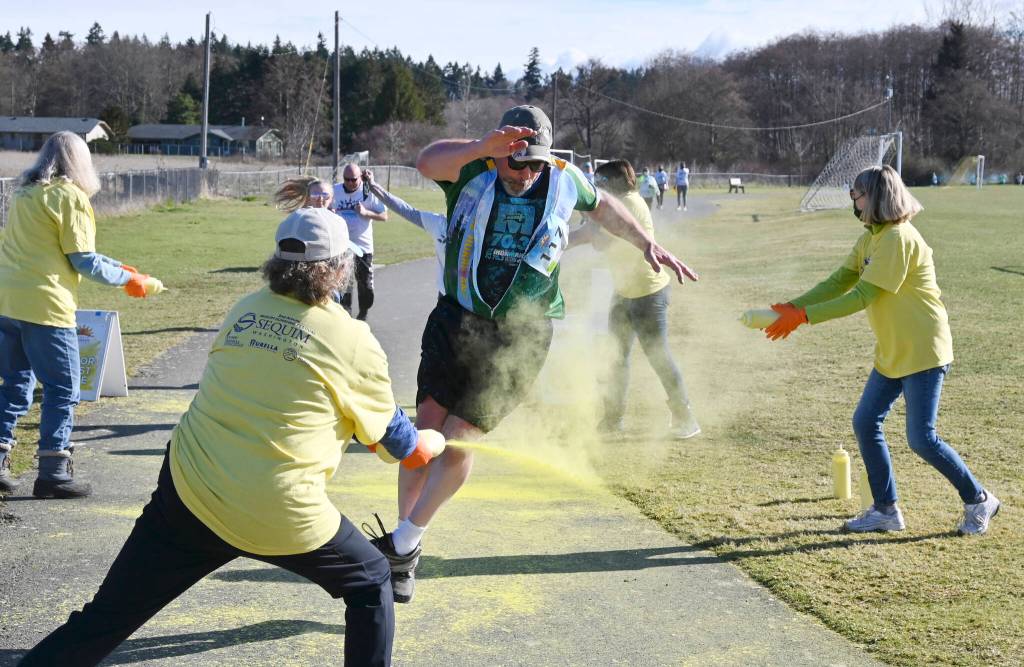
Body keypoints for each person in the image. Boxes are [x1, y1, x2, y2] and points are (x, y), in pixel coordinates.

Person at [19, 207, 447, 667]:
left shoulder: (245, 308)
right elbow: (405, 448)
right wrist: (438, 441)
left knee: (108, 616)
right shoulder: (353, 339)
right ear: (342, 268)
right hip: (278, 508)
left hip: (192, 489)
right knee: (371, 580)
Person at [370, 104, 697, 605]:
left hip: (519, 335)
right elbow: (426, 161)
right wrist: (483, 147)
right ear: (500, 153)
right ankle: (402, 545)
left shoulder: (564, 178)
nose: (525, 173)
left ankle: (405, 543)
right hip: (455, 320)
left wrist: (646, 241)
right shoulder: (474, 169)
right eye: (516, 162)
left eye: (535, 163)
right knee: (424, 435)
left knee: (458, 442)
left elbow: (606, 205)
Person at [762, 165, 1000, 536]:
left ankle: (979, 499)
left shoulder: (898, 238)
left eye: (855, 194)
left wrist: (804, 318)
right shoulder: (872, 237)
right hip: (893, 350)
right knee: (865, 422)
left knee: (922, 439)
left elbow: (862, 296)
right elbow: (840, 280)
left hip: (923, 350)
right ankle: (886, 510)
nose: (852, 201)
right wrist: (793, 306)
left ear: (873, 197)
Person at [0, 131, 161, 499]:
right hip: (47, 306)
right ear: (80, 162)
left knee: (14, 385)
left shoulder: (26, 192)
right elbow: (83, 260)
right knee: (62, 389)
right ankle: (54, 472)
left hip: (8, 302)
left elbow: (58, 250)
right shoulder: (69, 196)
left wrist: (122, 267)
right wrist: (129, 280)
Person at [590, 160, 700, 439]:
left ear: (614, 182)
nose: (596, 187)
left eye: (600, 182)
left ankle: (685, 418)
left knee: (658, 356)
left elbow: (599, 242)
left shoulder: (629, 204)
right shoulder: (619, 202)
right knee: (616, 357)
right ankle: (612, 420)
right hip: (624, 292)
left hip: (648, 294)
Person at [361, 169, 447, 296]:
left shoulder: (477, 225)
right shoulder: (438, 223)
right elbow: (405, 209)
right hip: (445, 295)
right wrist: (373, 186)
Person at [332, 163, 388, 320]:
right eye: (346, 179)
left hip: (363, 247)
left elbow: (384, 216)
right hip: (341, 246)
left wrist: (365, 212)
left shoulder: (368, 191)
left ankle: (364, 311)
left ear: (360, 178)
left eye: (353, 180)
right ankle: (346, 315)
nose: (350, 183)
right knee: (344, 283)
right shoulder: (335, 191)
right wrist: (330, 212)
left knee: (365, 285)